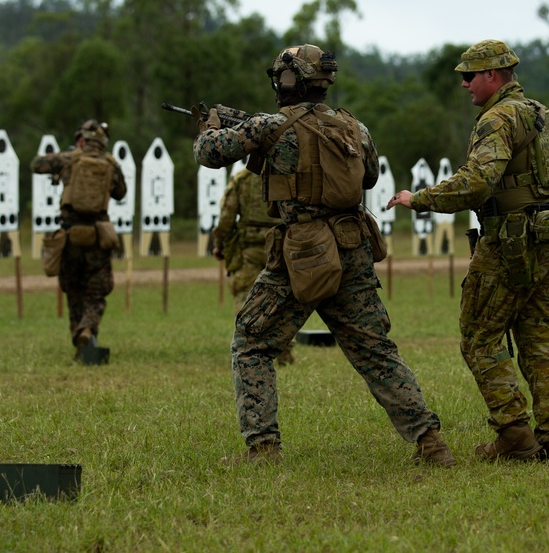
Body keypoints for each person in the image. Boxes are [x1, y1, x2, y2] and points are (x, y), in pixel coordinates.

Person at [194, 43, 455, 467]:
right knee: (375, 350)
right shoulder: (355, 127)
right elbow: (368, 175)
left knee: (251, 343)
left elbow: (208, 154)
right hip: (351, 247)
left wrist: (209, 127)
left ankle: (263, 449)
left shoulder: (269, 126)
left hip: (301, 255)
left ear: (289, 80)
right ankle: (430, 442)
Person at [388, 39, 549, 462]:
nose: (464, 85)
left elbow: (477, 182)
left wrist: (417, 198)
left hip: (512, 241)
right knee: (541, 337)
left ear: (493, 75)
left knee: (479, 336)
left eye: (469, 76)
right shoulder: (541, 114)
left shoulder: (498, 119)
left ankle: (514, 437)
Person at [31, 120, 127, 358]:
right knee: (96, 292)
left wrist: (64, 158)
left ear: (82, 140)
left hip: (70, 236)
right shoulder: (111, 165)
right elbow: (120, 193)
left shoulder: (69, 159)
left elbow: (36, 165)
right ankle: (88, 328)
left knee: (74, 290)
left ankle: (79, 340)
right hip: (98, 236)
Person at [212, 167, 295, 365]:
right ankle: (285, 353)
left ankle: (248, 350)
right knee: (282, 301)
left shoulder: (242, 180)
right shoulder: (286, 177)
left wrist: (219, 244)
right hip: (281, 248)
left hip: (248, 250)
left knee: (245, 297)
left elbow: (226, 217)